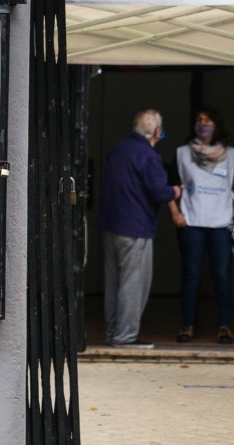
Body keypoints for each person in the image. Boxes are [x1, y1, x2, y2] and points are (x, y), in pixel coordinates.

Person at [97, 109, 181, 349]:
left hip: (111, 226)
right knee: (133, 284)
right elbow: (159, 192)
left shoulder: (119, 150)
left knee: (113, 284)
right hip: (135, 227)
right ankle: (125, 336)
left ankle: (113, 333)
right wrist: (175, 191)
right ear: (156, 132)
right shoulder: (149, 156)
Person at [168, 107, 234, 344]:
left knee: (222, 276)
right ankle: (187, 325)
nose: (203, 124)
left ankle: (224, 326)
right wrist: (175, 213)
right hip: (192, 221)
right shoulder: (182, 153)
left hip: (221, 223)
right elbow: (169, 186)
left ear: (217, 125)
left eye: (208, 120)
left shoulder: (231, 155)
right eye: (199, 120)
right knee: (191, 275)